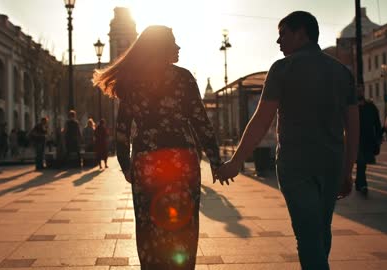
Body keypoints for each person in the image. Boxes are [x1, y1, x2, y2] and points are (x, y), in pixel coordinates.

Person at [216, 11, 359, 270]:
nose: (278, 42)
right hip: (331, 164)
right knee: (320, 230)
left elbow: (261, 120)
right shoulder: (342, 72)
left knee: (308, 235)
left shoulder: (283, 69)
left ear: (301, 33)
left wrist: (236, 162)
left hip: (296, 165)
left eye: (283, 34)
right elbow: (353, 126)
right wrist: (347, 170)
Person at [93, 25, 223, 269]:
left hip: (147, 162)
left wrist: (125, 165)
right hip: (181, 160)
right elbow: (201, 122)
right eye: (172, 42)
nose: (178, 47)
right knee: (183, 225)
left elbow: (122, 129)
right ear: (159, 47)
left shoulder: (131, 81)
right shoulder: (183, 77)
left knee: (149, 226)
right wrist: (216, 162)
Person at [356, 88, 382, 195]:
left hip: (368, 139)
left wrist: (378, 137)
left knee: (362, 162)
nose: (359, 92)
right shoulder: (351, 106)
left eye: (360, 90)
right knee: (361, 162)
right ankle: (363, 184)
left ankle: (359, 182)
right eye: (357, 90)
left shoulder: (371, 106)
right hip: (356, 138)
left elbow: (377, 122)